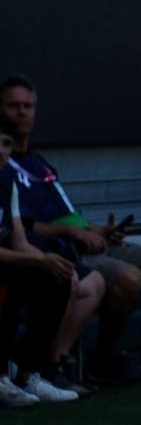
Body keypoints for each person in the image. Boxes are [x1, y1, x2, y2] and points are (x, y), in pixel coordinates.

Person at [1, 75, 141, 385]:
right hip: (58, 248)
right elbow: (23, 227)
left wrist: (97, 229)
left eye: (28, 106)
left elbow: (69, 214)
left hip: (85, 241)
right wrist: (74, 233)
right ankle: (103, 361)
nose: (22, 113)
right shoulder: (6, 168)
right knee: (128, 277)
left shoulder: (41, 164)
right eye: (13, 106)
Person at [0, 117, 82, 407]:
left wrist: (47, 261)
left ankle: (28, 373)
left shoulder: (7, 180)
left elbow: (18, 240)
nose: (2, 151)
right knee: (9, 276)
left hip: (7, 259)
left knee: (56, 277)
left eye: (7, 144)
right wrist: (38, 260)